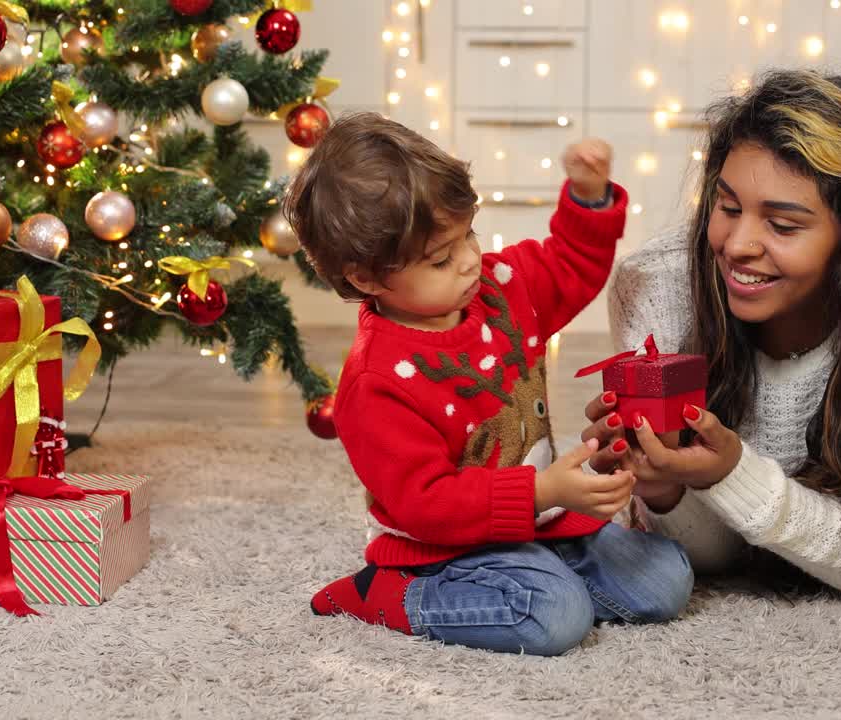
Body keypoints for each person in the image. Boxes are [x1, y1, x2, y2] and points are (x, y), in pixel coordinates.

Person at [286, 113, 693, 656]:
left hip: (539, 524)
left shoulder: (503, 288)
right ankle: (389, 595)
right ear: (365, 277)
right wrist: (543, 491)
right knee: (555, 618)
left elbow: (570, 264)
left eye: (468, 235)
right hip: (446, 550)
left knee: (667, 578)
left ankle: (544, 572)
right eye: (440, 259)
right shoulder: (377, 381)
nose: (470, 260)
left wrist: (588, 197)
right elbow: (424, 504)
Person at [582, 69, 841, 601]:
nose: (738, 244)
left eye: (783, 225)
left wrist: (733, 472)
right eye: (727, 208)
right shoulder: (655, 285)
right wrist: (666, 487)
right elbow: (720, 558)